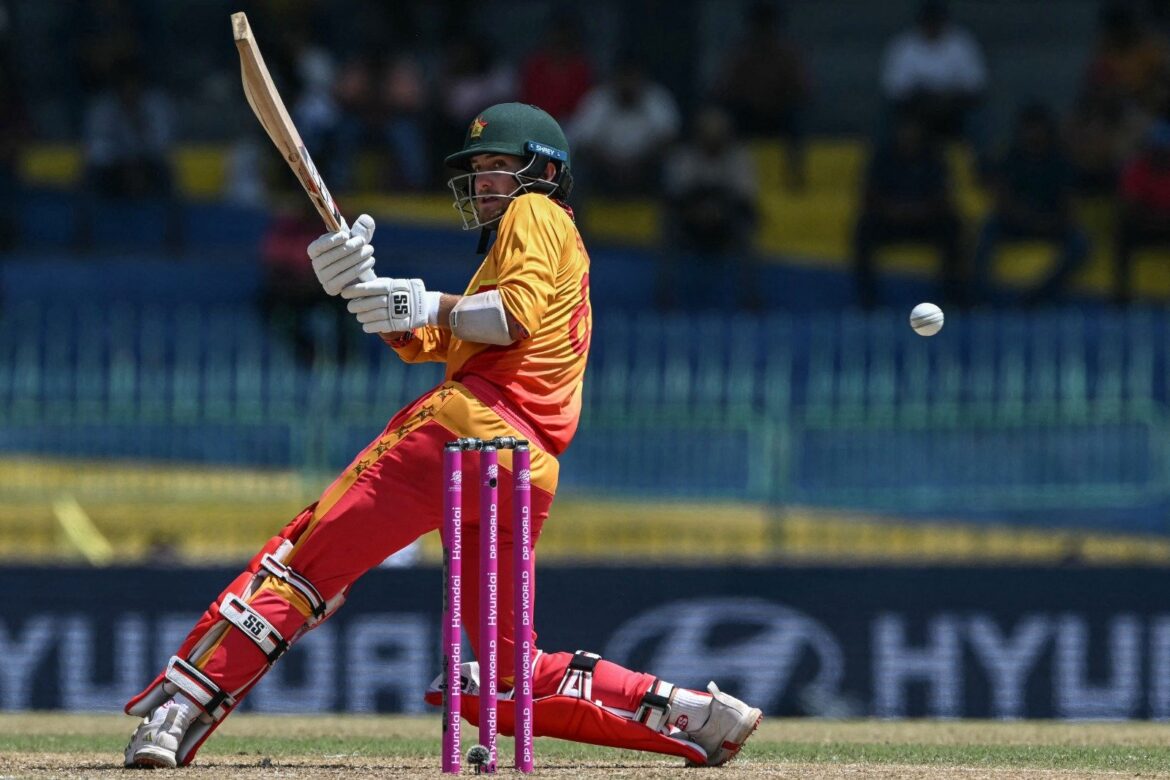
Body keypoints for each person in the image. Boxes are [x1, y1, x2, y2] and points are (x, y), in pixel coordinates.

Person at [121, 103, 762, 770]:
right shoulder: (548, 244)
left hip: (460, 432)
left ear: (543, 171)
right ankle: (693, 713)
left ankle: (179, 713)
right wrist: (368, 293)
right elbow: (466, 330)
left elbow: (505, 319)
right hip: (527, 467)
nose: (485, 180)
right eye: (477, 169)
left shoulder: (535, 214)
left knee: (303, 568)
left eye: (498, 166)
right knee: (513, 671)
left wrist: (420, 301)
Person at [971, 102, 1090, 305]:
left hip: (1049, 224)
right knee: (987, 231)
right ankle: (977, 297)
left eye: (1038, 127)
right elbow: (1003, 200)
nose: (1033, 134)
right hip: (1016, 222)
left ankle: (1037, 297)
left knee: (1080, 244)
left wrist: (1050, 222)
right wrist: (1023, 218)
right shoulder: (1011, 157)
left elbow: (1067, 204)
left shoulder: (1060, 161)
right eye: (1029, 128)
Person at [852, 111, 965, 309]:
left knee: (953, 227)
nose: (909, 134)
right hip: (890, 221)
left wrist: (919, 210)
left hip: (926, 221)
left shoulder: (934, 156)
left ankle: (953, 299)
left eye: (914, 130)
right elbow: (870, 195)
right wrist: (893, 210)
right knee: (864, 228)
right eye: (904, 129)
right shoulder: (883, 156)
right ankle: (867, 302)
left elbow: (944, 196)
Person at [659, 106, 760, 310]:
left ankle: (751, 298)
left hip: (726, 222)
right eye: (707, 136)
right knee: (667, 226)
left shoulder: (739, 158)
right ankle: (664, 298)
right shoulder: (684, 157)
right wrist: (698, 213)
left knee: (746, 230)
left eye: (718, 136)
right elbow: (675, 198)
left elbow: (746, 201)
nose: (713, 142)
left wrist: (718, 212)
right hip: (690, 222)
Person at [710, 1, 811, 191]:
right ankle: (730, 178)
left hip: (778, 115)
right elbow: (721, 90)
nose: (764, 32)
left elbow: (805, 90)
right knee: (726, 122)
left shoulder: (787, 54)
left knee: (795, 122)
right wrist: (749, 97)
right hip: (748, 116)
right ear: (752, 27)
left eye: (768, 26)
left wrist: (780, 97)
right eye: (760, 26)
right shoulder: (740, 54)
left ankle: (796, 179)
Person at [879, 0, 988, 166]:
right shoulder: (904, 46)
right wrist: (927, 95)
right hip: (917, 112)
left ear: (944, 22)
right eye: (928, 22)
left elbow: (976, 85)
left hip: (954, 111)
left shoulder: (962, 43)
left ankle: (981, 171)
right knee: (890, 119)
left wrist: (947, 96)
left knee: (978, 119)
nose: (932, 26)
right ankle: (893, 171)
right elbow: (894, 89)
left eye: (936, 21)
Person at [1114, 120, 1170, 304]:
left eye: (1164, 150)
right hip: (1145, 225)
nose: (1160, 154)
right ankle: (1122, 294)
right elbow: (1131, 207)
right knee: (1123, 231)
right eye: (1156, 149)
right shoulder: (1137, 168)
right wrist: (1154, 219)